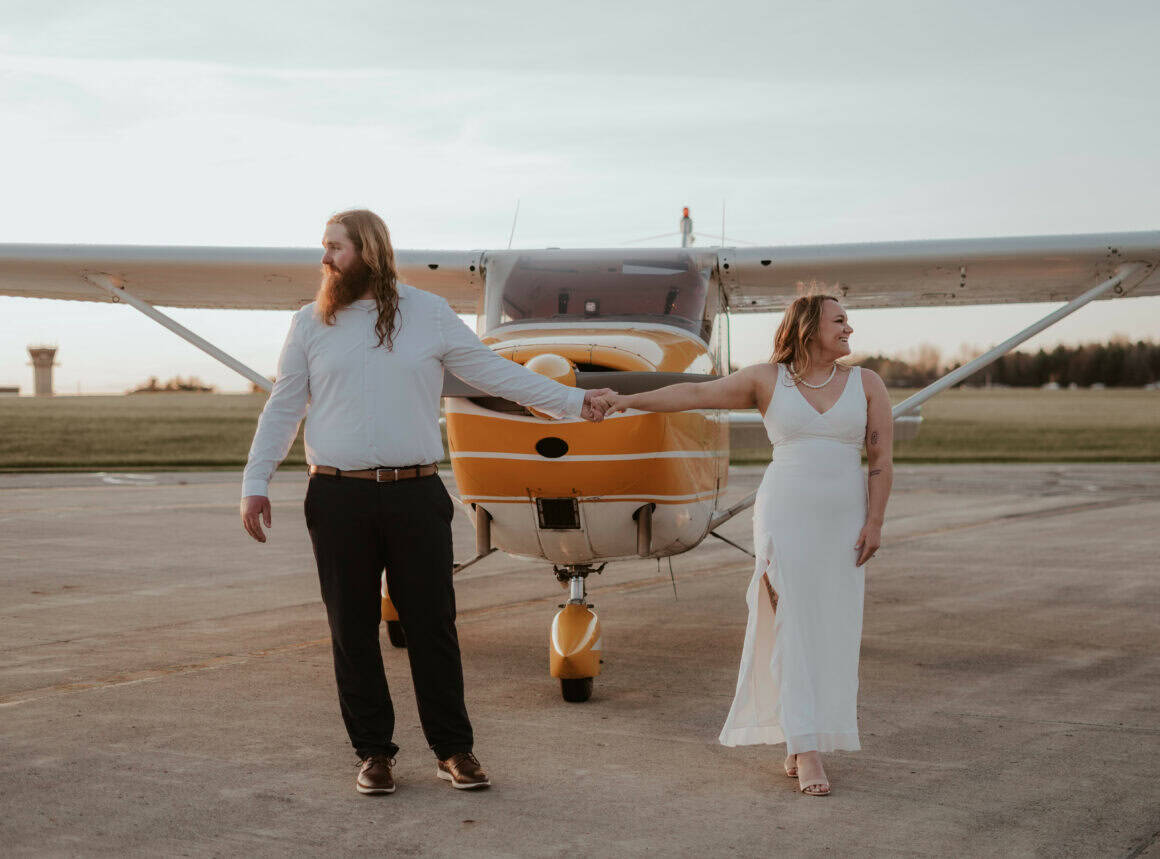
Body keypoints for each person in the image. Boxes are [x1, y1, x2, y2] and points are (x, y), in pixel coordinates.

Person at [239, 209, 611, 796]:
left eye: (334, 247)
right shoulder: (309, 322)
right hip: (336, 496)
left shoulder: (429, 314)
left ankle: (454, 750)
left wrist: (573, 401)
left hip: (416, 494)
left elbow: (493, 374)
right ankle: (374, 754)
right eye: (323, 247)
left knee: (432, 628)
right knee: (351, 630)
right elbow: (285, 406)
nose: (324, 259)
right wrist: (255, 481)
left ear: (367, 249)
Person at [596, 293, 893, 796]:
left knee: (833, 628)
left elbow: (881, 462)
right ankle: (807, 746)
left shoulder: (868, 385)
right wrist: (625, 401)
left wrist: (876, 523)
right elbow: (693, 396)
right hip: (784, 515)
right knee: (792, 619)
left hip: (844, 521)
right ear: (808, 326)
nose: (849, 329)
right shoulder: (766, 380)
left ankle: (803, 734)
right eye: (840, 321)